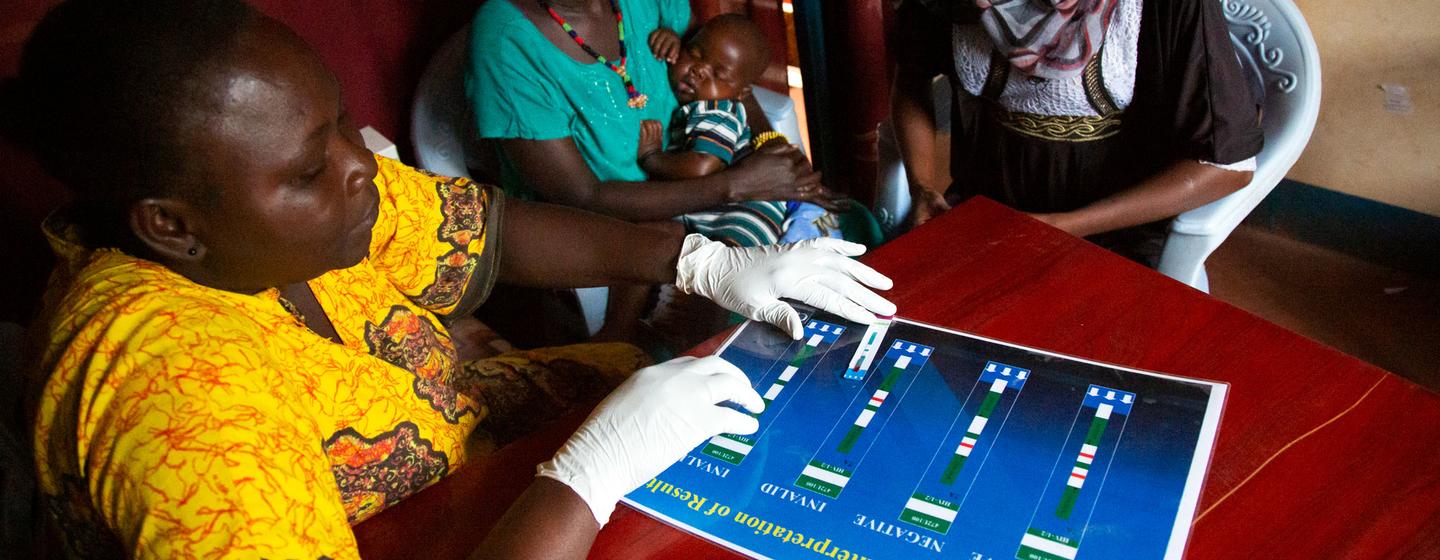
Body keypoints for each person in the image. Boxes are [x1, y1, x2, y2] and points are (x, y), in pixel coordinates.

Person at [1, 1, 896, 558]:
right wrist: (583, 480)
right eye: (311, 169)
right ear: (171, 226)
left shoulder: (297, 204)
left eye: (344, 129)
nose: (363, 169)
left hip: (479, 443)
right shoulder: (171, 399)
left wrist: (699, 259)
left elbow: (495, 233)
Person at [466, 0, 844, 340]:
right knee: (727, 283)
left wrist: (771, 146)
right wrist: (737, 185)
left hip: (701, 192)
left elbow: (727, 73)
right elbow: (582, 196)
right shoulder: (506, 40)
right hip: (604, 223)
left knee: (823, 240)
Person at [891, 0, 1263, 265]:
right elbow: (912, 78)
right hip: (981, 215)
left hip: (1115, 235)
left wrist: (1065, 226)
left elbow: (1227, 167)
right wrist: (921, 187)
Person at [638, 13, 841, 246]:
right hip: (717, 207)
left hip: (744, 213)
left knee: (732, 257)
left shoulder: (717, 112)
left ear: (741, 94)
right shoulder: (706, 103)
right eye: (693, 54)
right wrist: (670, 43)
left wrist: (652, 158)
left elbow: (702, 165)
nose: (698, 70)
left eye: (718, 74)